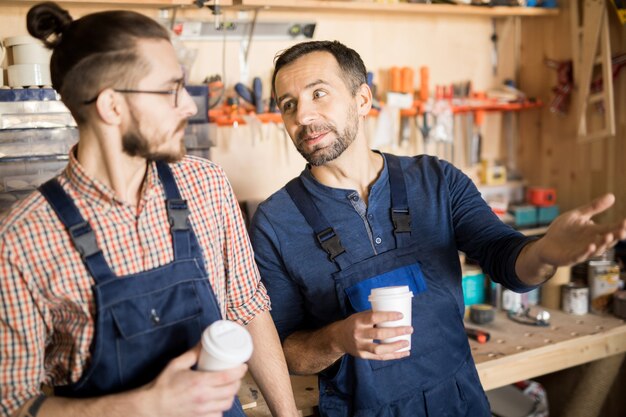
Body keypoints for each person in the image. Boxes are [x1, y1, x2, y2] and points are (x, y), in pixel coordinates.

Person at [249, 40, 626, 417]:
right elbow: (284, 350)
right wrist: (337, 338)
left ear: (362, 99)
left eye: (319, 93)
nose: (303, 116)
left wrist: (543, 253)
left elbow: (505, 258)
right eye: (288, 104)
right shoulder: (276, 221)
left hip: (457, 403)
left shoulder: (436, 180)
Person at [0, 3, 299, 417]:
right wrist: (146, 405)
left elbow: (247, 306)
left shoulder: (205, 186)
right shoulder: (22, 238)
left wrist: (286, 415)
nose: (190, 107)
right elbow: (13, 404)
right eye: (170, 89)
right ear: (112, 106)